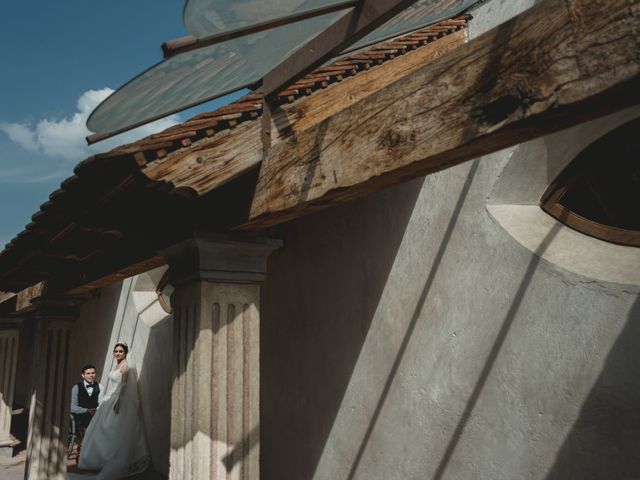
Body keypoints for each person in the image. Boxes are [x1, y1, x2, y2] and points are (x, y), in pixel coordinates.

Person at [78, 342, 150, 479]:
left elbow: (123, 386)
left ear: (125, 353)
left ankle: (108, 459)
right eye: (116, 351)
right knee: (98, 428)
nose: (117, 353)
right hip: (110, 397)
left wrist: (119, 402)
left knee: (113, 430)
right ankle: (96, 460)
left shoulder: (124, 367)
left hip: (118, 399)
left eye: (120, 351)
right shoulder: (116, 365)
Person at [71, 364, 105, 432]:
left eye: (93, 373)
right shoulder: (76, 387)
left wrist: (95, 411)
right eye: (88, 373)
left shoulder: (100, 387)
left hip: (95, 417)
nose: (91, 375)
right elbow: (72, 407)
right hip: (80, 416)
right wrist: (86, 410)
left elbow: (101, 403)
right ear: (83, 375)